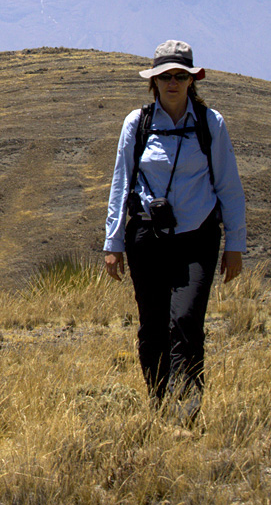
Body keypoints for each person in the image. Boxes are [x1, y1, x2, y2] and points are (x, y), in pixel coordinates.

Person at [103, 40, 246, 423]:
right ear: (154, 82)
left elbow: (229, 186)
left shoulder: (210, 124)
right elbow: (121, 184)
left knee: (186, 322)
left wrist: (236, 244)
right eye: (165, 76)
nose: (172, 82)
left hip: (197, 239)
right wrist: (112, 243)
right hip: (147, 238)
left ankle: (185, 410)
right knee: (152, 325)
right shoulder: (137, 124)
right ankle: (159, 401)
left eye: (180, 76)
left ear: (191, 80)